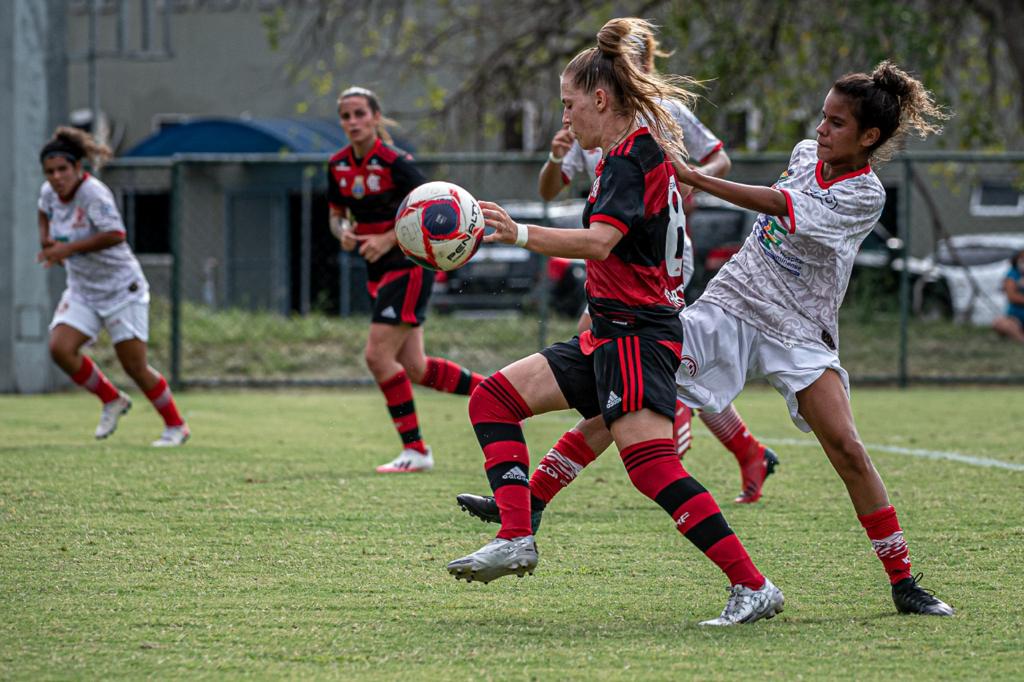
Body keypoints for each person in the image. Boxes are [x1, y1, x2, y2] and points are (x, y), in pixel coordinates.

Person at [464, 60, 956, 617]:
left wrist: (696, 177)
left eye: (837, 123)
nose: (821, 130)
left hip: (798, 327)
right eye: (823, 116)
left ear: (869, 137)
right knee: (620, 398)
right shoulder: (803, 155)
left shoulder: (866, 195)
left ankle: (903, 580)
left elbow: (781, 206)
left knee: (847, 449)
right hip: (731, 304)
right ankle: (529, 506)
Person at [447, 19, 784, 627]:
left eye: (568, 104)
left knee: (653, 469)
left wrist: (519, 233)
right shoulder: (622, 153)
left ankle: (753, 585)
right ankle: (517, 535)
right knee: (492, 399)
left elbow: (600, 242)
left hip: (637, 334)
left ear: (601, 100)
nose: (565, 117)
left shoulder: (633, 156)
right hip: (609, 330)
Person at [535, 20, 779, 504]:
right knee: (631, 369)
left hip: (650, 257)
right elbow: (549, 190)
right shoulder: (586, 116)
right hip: (610, 257)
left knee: (617, 365)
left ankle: (542, 490)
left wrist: (689, 179)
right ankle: (746, 450)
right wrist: (554, 158)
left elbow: (719, 159)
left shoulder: (662, 113)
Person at [327, 86, 485, 473]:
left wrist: (386, 239)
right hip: (376, 270)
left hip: (408, 266)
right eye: (346, 116)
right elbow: (336, 215)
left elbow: (431, 210)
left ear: (375, 117)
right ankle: (503, 393)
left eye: (360, 114)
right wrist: (342, 231)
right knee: (415, 367)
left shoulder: (396, 162)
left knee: (377, 356)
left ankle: (415, 450)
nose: (353, 122)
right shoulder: (338, 165)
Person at [36, 127, 189, 447]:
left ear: (79, 167)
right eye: (50, 171)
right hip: (83, 289)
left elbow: (115, 234)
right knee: (60, 349)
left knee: (134, 366)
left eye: (63, 169)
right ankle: (111, 399)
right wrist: (47, 241)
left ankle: (176, 426)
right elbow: (43, 212)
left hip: (121, 289)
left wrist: (67, 249)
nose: (56, 177)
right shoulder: (48, 193)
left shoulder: (93, 195)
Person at [992, 250, 1024, 343]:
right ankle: (1020, 338)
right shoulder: (1012, 274)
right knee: (1000, 323)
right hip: (1016, 318)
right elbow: (1012, 296)